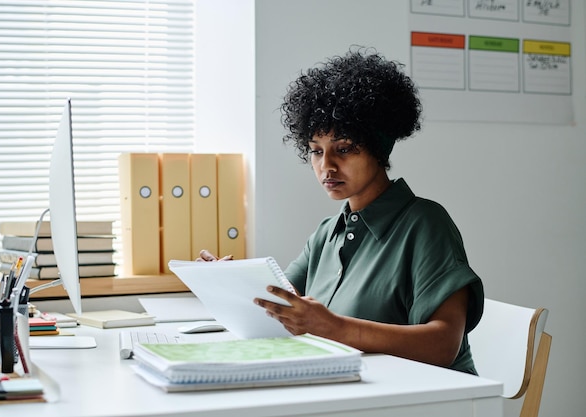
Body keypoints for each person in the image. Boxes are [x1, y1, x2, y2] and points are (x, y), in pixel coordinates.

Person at [199, 47, 484, 374]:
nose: (326, 166)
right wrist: (228, 283)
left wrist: (333, 327)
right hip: (359, 393)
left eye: (344, 149)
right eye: (316, 151)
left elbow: (444, 344)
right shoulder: (326, 233)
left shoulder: (425, 224)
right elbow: (282, 305)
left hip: (433, 400)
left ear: (379, 149)